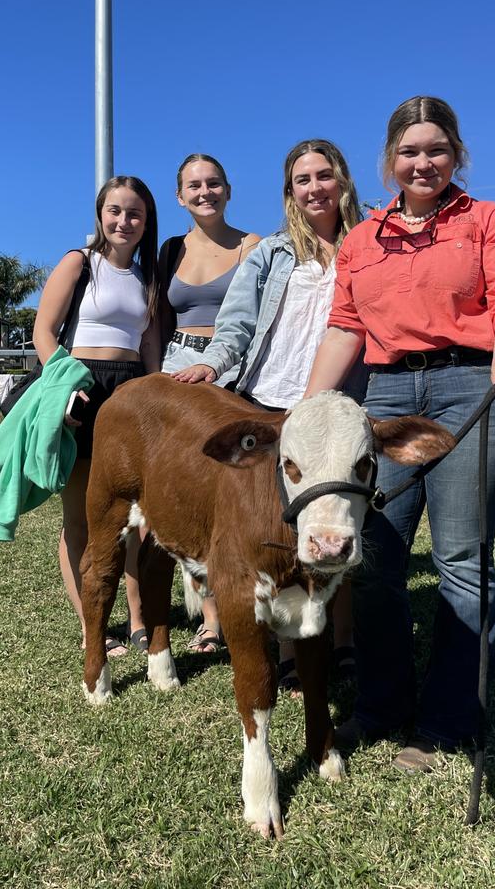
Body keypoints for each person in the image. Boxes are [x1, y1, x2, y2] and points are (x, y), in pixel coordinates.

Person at [304, 96, 495, 771]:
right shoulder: (361, 240)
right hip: (386, 397)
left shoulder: (488, 220)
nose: (423, 162)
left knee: (461, 560)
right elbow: (346, 326)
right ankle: (381, 705)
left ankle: (447, 722)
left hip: (476, 389)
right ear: (388, 163)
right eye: (409, 152)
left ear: (456, 155)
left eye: (436, 149)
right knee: (374, 558)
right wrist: (311, 405)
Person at [173, 138, 365, 689]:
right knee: (279, 532)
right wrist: (211, 366)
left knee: (340, 520)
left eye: (323, 176)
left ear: (343, 181)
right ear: (289, 192)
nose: (314, 188)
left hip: (338, 405)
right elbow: (235, 324)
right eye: (301, 180)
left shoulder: (369, 244)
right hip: (271, 400)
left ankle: (344, 643)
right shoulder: (273, 253)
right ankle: (288, 651)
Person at [33, 176, 161, 657]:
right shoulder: (79, 263)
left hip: (131, 393)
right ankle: (94, 626)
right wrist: (66, 384)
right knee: (82, 516)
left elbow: (149, 342)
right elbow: (43, 331)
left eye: (135, 214)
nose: (124, 221)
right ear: (100, 214)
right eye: (115, 211)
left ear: (147, 222)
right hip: (81, 388)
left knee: (136, 518)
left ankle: (139, 619)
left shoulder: (149, 276)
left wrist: (156, 392)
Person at [157, 153, 260, 652]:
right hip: (176, 369)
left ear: (228, 189)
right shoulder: (170, 249)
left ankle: (247, 599)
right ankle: (210, 618)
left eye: (214, 183)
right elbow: (156, 319)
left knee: (235, 490)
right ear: (180, 195)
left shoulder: (253, 246)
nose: (205, 192)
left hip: (233, 371)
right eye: (194, 185)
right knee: (189, 489)